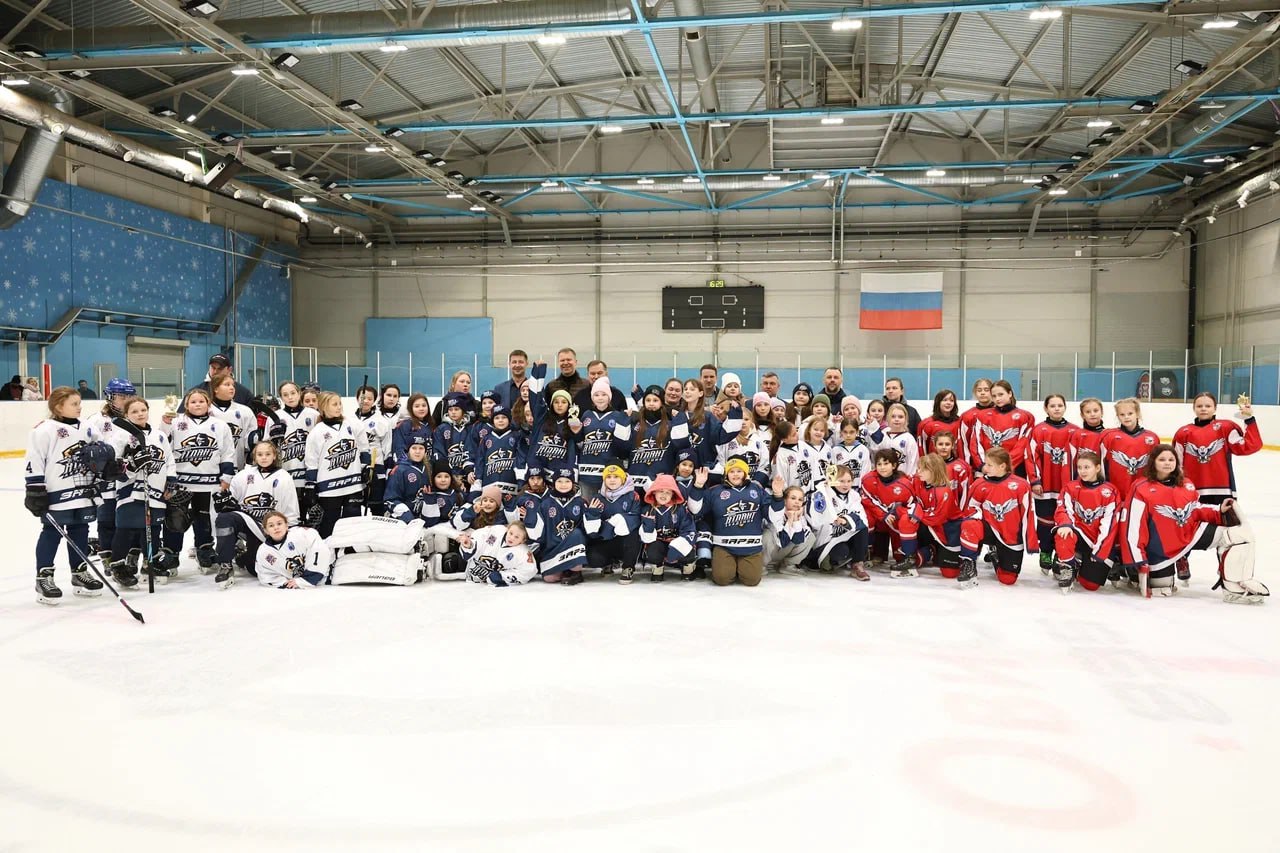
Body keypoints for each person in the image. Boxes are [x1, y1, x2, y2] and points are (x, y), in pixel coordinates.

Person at [1123, 445, 1265, 603]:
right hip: (1161, 551)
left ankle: (1234, 587)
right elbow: (1133, 528)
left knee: (1238, 537)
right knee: (1162, 591)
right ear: (1153, 462)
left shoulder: (1186, 483)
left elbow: (1195, 509)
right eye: (1162, 459)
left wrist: (1218, 511)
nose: (1167, 463)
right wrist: (1138, 561)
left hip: (1191, 533)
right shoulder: (1140, 488)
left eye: (1171, 459)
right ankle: (1134, 576)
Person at [25, 386, 105, 604]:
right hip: (57, 491)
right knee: (52, 532)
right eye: (74, 404)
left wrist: (107, 463)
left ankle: (79, 573)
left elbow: (102, 450)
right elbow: (35, 460)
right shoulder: (44, 430)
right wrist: (35, 489)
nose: (80, 408)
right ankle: (44, 577)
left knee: (80, 529)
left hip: (84, 489)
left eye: (80, 403)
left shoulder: (88, 427)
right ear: (58, 406)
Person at [102, 397, 176, 588]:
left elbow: (169, 460)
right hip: (131, 491)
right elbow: (114, 469)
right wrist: (132, 465)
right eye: (134, 411)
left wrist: (171, 480)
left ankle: (149, 563)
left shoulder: (159, 435)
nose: (140, 414)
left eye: (143, 410)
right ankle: (118, 565)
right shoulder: (120, 436)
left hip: (157, 490)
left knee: (152, 529)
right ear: (126, 415)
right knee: (127, 529)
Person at [160, 387, 235, 572]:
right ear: (186, 404)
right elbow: (163, 444)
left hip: (208, 482)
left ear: (208, 403)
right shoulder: (177, 422)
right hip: (181, 482)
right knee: (175, 519)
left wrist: (226, 476)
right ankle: (171, 553)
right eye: (193, 401)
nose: (197, 404)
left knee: (204, 518)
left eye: (201, 401)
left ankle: (204, 549)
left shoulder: (219, 425)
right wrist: (165, 424)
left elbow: (227, 452)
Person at [212, 440, 300, 590]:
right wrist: (224, 503)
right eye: (260, 454)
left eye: (268, 454)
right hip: (249, 524)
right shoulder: (243, 476)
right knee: (224, 518)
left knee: (254, 570)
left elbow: (291, 510)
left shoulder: (284, 477)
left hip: (271, 531)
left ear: (274, 456)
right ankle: (225, 563)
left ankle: (243, 556)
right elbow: (230, 503)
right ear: (254, 456)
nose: (264, 457)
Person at [959, 446, 1037, 587]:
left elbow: (1027, 515)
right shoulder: (979, 484)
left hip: (1010, 536)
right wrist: (978, 515)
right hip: (989, 528)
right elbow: (970, 508)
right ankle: (968, 563)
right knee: (969, 524)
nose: (985, 467)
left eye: (989, 465)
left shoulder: (1021, 485)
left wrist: (1030, 542)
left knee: (1008, 580)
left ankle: (996, 556)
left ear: (1002, 466)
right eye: (985, 463)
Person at [688, 459, 768, 587]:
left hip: (751, 548)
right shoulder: (715, 491)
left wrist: (778, 496)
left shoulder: (757, 489)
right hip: (724, 546)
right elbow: (695, 510)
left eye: (739, 471)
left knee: (752, 580)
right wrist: (698, 486)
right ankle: (730, 565)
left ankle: (740, 567)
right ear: (726, 474)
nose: (735, 474)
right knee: (722, 579)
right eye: (731, 471)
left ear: (745, 473)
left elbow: (770, 514)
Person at [1173, 392, 1261, 503]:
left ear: (1215, 408)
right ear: (1194, 408)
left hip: (1222, 490)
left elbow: (1250, 446)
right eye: (1199, 406)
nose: (1203, 409)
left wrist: (1249, 419)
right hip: (1191, 489)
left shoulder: (1225, 428)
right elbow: (1176, 464)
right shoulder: (1183, 433)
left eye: (1208, 406)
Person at [1052, 450, 1121, 593]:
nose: (1082, 471)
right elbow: (1063, 510)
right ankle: (1068, 565)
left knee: (1090, 585)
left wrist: (1100, 551)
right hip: (1079, 534)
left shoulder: (1110, 491)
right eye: (1079, 467)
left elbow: (1110, 525)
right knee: (1063, 532)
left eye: (1087, 467)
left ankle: (1080, 563)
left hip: (1098, 541)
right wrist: (1065, 524)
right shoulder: (1070, 487)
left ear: (1097, 468)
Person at [83, 377, 136, 560]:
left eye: (129, 396)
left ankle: (126, 555)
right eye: (121, 396)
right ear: (110, 397)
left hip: (127, 478)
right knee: (106, 520)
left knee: (127, 520)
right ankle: (107, 555)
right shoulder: (97, 420)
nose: (125, 400)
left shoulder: (134, 417)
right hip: (104, 478)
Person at [303, 391, 369, 537]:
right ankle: (329, 555)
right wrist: (310, 486)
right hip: (329, 488)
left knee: (353, 523)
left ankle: (351, 554)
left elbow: (365, 449)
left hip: (353, 484)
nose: (339, 407)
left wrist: (365, 469)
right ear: (323, 407)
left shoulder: (352, 424)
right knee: (329, 524)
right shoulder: (316, 432)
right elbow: (312, 462)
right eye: (334, 404)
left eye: (340, 403)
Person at [1027, 393, 1078, 573]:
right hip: (1045, 486)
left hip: (1066, 487)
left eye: (1060, 405)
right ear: (1046, 409)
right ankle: (1045, 551)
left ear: (1065, 407)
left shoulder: (1074, 431)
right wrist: (1035, 480)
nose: (1056, 408)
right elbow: (1031, 456)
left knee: (1063, 521)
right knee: (1044, 521)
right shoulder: (1039, 430)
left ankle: (1060, 553)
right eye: (1052, 406)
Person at [611, 384, 692, 490]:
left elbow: (681, 447)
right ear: (643, 403)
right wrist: (622, 423)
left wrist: (680, 421)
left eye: (655, 400)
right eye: (648, 400)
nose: (651, 403)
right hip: (635, 483)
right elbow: (621, 449)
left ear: (661, 403)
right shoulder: (634, 424)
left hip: (661, 486)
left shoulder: (670, 425)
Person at [571, 377, 629, 501]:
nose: (600, 397)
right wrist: (576, 433)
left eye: (604, 394)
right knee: (586, 506)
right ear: (592, 398)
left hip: (609, 475)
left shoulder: (618, 416)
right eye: (596, 395)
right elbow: (581, 444)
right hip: (586, 473)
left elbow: (622, 446)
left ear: (609, 397)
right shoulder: (586, 415)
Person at [808, 464, 870, 579]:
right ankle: (828, 560)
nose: (846, 484)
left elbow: (862, 519)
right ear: (833, 481)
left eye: (849, 481)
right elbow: (815, 521)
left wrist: (845, 520)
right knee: (842, 551)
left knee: (862, 530)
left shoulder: (854, 496)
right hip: (826, 541)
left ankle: (857, 565)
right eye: (841, 481)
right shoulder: (821, 494)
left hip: (844, 535)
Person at [584, 464, 643, 580]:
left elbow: (636, 518)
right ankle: (607, 563)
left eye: (616, 476)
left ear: (623, 479)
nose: (612, 480)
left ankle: (628, 567)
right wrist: (593, 514)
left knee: (634, 534)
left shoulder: (632, 496)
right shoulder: (598, 497)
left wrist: (619, 520)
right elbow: (592, 533)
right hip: (606, 538)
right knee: (592, 558)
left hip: (624, 541)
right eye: (608, 477)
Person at [638, 473, 697, 581]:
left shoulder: (680, 510)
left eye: (668, 492)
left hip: (676, 542)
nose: (664, 495)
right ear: (654, 491)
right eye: (661, 491)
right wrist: (648, 528)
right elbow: (643, 538)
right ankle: (657, 566)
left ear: (673, 494)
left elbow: (690, 531)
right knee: (653, 550)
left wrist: (679, 546)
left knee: (688, 549)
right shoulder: (647, 510)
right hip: (659, 543)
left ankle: (688, 566)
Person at [536, 468, 589, 585]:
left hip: (574, 544)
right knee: (549, 578)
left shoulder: (580, 502)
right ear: (554, 483)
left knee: (577, 533)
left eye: (567, 481)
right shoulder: (545, 504)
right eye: (560, 481)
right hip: (554, 548)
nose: (563, 485)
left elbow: (588, 530)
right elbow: (540, 532)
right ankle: (565, 569)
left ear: (573, 483)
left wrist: (593, 514)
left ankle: (576, 571)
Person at [971, 380, 1033, 477]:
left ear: (1010, 393)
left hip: (1013, 469)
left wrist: (1004, 466)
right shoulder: (982, 416)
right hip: (988, 470)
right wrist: (984, 465)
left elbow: (1023, 445)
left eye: (1001, 394)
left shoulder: (1025, 417)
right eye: (994, 396)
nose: (997, 399)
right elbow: (976, 443)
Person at [1099, 397, 1158, 498]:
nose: (1126, 417)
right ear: (1117, 416)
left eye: (1130, 413)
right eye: (1122, 414)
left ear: (1137, 414)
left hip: (1142, 493)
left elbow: (1156, 467)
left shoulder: (1152, 438)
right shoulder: (1108, 436)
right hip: (1115, 492)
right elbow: (1101, 464)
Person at [254, 511, 330, 589]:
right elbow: (264, 574)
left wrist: (306, 580)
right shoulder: (263, 551)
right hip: (297, 588)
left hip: (328, 573)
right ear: (266, 531)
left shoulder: (301, 534)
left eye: (279, 524)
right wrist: (284, 583)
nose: (276, 527)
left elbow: (319, 549)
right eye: (271, 525)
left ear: (286, 525)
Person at [763, 480, 814, 576]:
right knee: (767, 535)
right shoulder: (776, 513)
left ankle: (788, 566)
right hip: (772, 551)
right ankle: (760, 565)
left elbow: (798, 540)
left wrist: (795, 519)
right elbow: (783, 541)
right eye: (793, 498)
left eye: (800, 500)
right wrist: (789, 520)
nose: (797, 502)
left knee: (810, 537)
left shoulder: (801, 517)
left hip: (782, 552)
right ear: (785, 500)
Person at [276, 381, 318, 495]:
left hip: (310, 475)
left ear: (299, 394)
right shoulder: (276, 417)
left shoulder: (313, 414)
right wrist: (274, 440)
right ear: (281, 398)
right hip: (286, 474)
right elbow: (267, 446)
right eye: (285, 395)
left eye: (293, 393)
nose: (290, 397)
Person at [208, 374, 255, 468]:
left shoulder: (245, 411)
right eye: (227, 384)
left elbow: (251, 442)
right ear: (216, 389)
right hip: (210, 469)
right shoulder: (206, 410)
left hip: (237, 467)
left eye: (233, 385)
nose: (231, 388)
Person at [181, 353, 254, 410]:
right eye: (213, 368)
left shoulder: (244, 394)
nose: (215, 371)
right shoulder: (194, 392)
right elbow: (182, 417)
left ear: (229, 370)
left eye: (220, 368)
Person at [386, 437, 431, 523]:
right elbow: (391, 500)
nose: (417, 452)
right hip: (404, 520)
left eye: (421, 448)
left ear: (425, 451)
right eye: (414, 448)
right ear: (408, 450)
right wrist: (408, 517)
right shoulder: (400, 470)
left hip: (424, 518)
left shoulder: (429, 468)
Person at [391, 393, 434, 466]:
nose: (421, 408)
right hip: (410, 468)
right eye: (417, 406)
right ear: (410, 408)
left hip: (428, 468)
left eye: (424, 405)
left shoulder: (431, 425)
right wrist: (406, 466)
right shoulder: (404, 425)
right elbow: (399, 449)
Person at [960, 378, 995, 468]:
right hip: (976, 464)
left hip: (996, 460)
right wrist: (967, 465)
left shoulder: (1000, 413)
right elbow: (964, 443)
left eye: (986, 390)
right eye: (979, 390)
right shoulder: (967, 416)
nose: (982, 393)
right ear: (975, 393)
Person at [881, 403, 920, 476]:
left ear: (906, 419)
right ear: (888, 418)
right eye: (893, 416)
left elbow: (913, 461)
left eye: (900, 417)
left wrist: (909, 479)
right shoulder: (883, 435)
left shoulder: (909, 438)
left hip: (902, 480)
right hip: (883, 479)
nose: (896, 419)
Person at [918, 389, 960, 455]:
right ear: (938, 402)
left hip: (955, 463)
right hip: (934, 463)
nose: (948, 403)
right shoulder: (926, 424)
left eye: (951, 400)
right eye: (945, 400)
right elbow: (921, 449)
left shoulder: (960, 423)